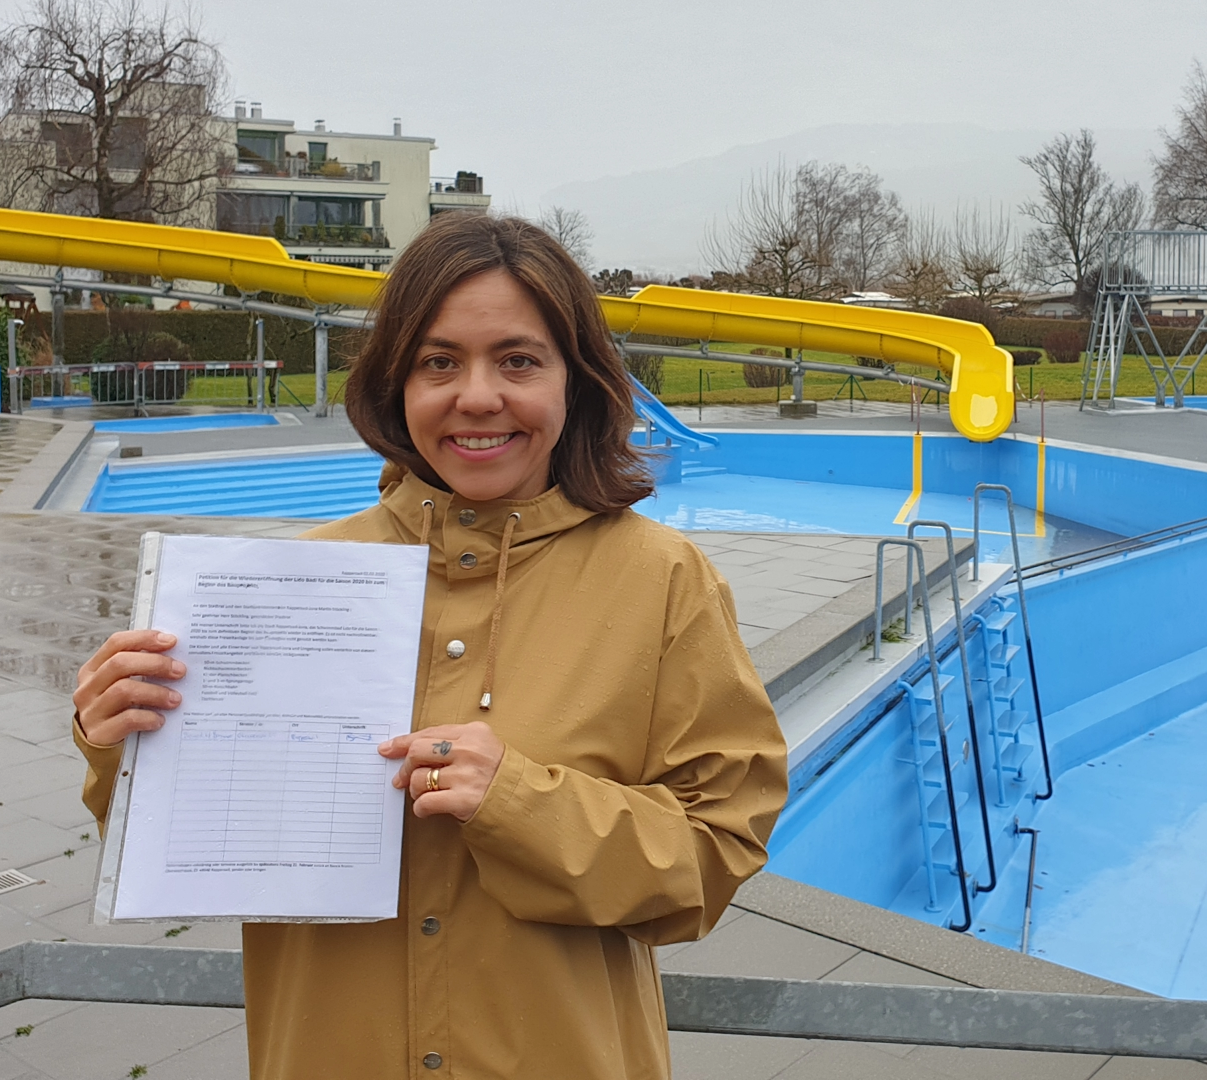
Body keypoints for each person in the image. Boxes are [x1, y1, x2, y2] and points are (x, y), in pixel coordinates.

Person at [69, 213, 789, 1079]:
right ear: (396, 382)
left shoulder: (662, 582)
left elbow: (716, 853)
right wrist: (120, 741)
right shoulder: (292, 584)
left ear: (576, 380)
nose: (476, 397)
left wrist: (520, 803)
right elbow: (177, 840)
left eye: (518, 361)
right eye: (439, 362)